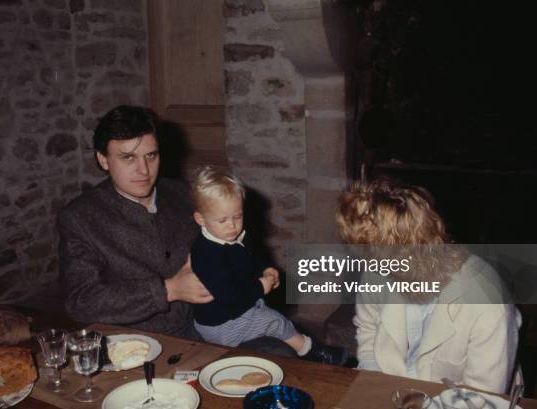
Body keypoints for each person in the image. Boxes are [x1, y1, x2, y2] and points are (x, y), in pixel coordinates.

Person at [336, 178, 520, 393]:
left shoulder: (488, 302)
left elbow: (482, 397)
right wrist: (374, 386)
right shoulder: (377, 265)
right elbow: (368, 330)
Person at [57, 105, 212, 339]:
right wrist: (168, 290)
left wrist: (263, 272)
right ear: (104, 160)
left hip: (212, 323)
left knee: (279, 351)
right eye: (128, 157)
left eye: (151, 155)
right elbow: (82, 302)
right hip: (139, 341)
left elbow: (230, 238)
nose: (144, 170)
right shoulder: (79, 218)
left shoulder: (184, 194)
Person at [189, 166, 348, 364]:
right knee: (274, 321)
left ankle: (297, 345)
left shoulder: (233, 236)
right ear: (200, 219)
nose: (232, 226)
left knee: (269, 314)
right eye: (222, 220)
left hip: (239, 308)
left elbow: (252, 258)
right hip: (220, 323)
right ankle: (311, 351)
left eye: (237, 216)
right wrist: (260, 286)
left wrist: (264, 268)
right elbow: (230, 297)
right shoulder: (206, 253)